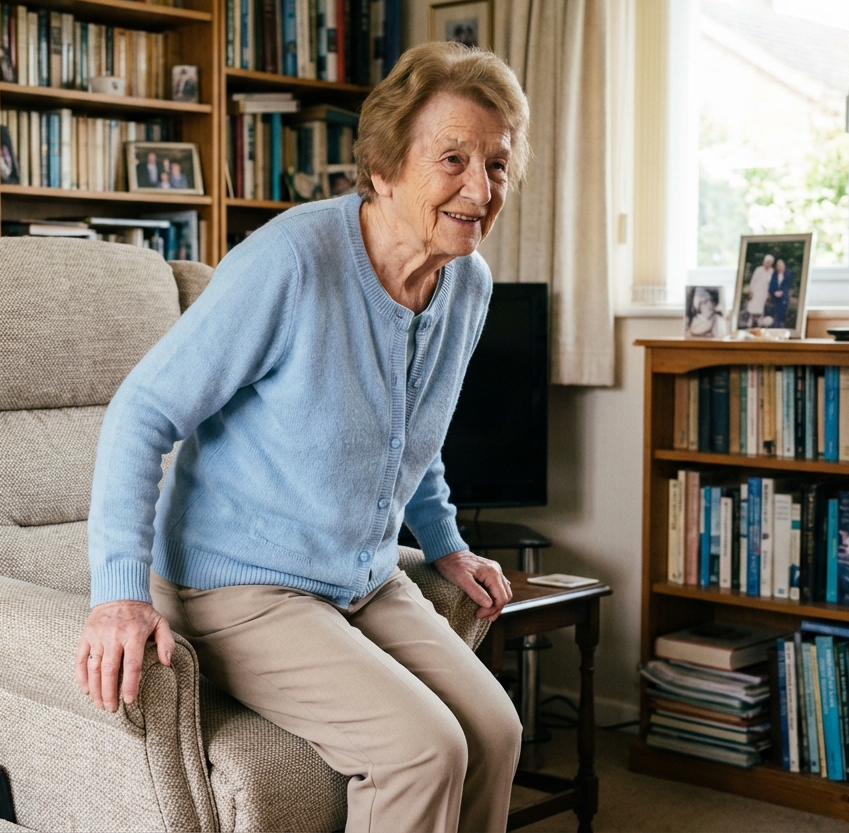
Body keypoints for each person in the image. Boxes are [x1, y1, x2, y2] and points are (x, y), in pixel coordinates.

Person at [78, 41, 528, 833]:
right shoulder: (291, 261)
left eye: (496, 163)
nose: (480, 188)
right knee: (421, 751)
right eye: (453, 158)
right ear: (384, 168)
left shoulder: (467, 284)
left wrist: (445, 542)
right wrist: (118, 595)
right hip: (239, 584)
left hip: (361, 578)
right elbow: (142, 413)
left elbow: (408, 430)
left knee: (496, 731)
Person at [743, 253, 774, 327]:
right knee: (753, 306)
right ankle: (750, 320)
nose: (767, 263)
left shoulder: (772, 271)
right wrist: (751, 291)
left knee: (761, 307)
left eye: (769, 262)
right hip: (756, 290)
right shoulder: (758, 269)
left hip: (764, 291)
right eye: (766, 261)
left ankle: (759, 322)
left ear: (771, 263)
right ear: (764, 261)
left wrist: (769, 293)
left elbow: (771, 283)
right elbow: (753, 280)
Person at [767, 257, 793, 329]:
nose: (781, 268)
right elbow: (771, 286)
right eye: (779, 266)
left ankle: (782, 325)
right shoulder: (774, 275)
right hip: (775, 298)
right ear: (777, 267)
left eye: (782, 266)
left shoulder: (788, 274)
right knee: (775, 312)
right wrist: (774, 292)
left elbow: (789, 286)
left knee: (783, 312)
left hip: (784, 297)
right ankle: (776, 326)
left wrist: (783, 292)